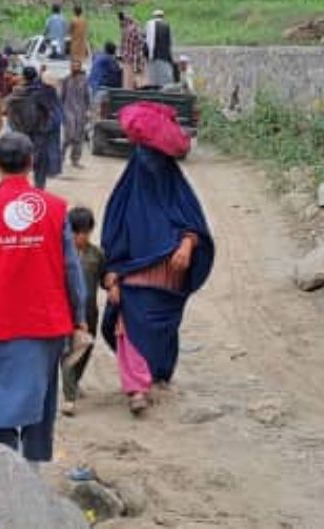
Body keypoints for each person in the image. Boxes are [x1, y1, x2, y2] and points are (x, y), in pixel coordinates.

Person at [0, 132, 88, 462]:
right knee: (41, 393)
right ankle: (34, 462)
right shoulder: (55, 210)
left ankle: (4, 459)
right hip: (45, 319)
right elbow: (71, 269)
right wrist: (78, 314)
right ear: (31, 163)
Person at [101, 103, 215, 415]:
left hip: (169, 279)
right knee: (128, 325)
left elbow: (195, 226)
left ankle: (158, 373)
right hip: (134, 277)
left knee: (163, 329)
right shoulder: (126, 193)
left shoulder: (176, 189)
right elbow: (112, 235)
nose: (150, 164)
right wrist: (111, 274)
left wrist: (188, 245)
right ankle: (136, 388)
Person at [62, 206, 105, 416]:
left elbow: (105, 279)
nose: (81, 237)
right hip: (66, 312)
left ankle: (75, 382)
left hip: (90, 313)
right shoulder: (60, 253)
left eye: (85, 233)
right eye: (76, 232)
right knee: (70, 353)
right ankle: (69, 398)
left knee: (86, 348)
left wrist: (113, 281)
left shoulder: (96, 255)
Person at [4, 67, 57, 189]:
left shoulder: (16, 94)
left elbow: (7, 112)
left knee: (20, 163)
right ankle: (39, 189)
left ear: (23, 77)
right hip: (39, 134)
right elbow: (51, 111)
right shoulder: (43, 92)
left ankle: (19, 188)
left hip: (21, 135)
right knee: (40, 165)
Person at [60, 64, 91, 167]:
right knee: (68, 135)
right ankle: (61, 157)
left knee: (79, 137)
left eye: (78, 66)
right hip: (68, 110)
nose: (75, 68)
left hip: (81, 112)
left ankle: (75, 160)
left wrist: (88, 111)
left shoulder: (84, 81)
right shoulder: (66, 80)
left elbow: (87, 97)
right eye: (74, 66)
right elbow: (62, 96)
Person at [88, 42, 124, 112]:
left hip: (92, 84)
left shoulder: (98, 56)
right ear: (114, 51)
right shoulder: (109, 59)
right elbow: (117, 72)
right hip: (102, 86)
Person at [144, 9, 174, 89]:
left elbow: (146, 40)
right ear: (162, 16)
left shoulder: (149, 24)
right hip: (164, 56)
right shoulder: (167, 25)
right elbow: (170, 41)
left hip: (153, 56)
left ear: (154, 16)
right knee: (164, 79)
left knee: (153, 77)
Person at [118, 11, 145, 90]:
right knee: (138, 85)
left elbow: (122, 48)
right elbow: (140, 47)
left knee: (127, 86)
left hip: (128, 61)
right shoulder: (135, 29)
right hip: (134, 62)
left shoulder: (125, 31)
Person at [69, 5, 90, 69]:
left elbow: (70, 30)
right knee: (80, 59)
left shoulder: (73, 20)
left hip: (75, 42)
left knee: (74, 59)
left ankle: (73, 71)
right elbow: (86, 31)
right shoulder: (84, 21)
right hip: (82, 42)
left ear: (74, 12)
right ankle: (79, 69)